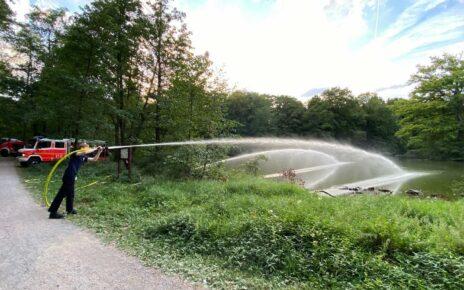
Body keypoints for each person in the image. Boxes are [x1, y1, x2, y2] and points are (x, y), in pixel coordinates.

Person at [48, 142, 103, 219]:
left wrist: (99, 151)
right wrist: (95, 148)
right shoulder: (75, 153)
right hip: (69, 175)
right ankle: (53, 213)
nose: (88, 148)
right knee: (61, 194)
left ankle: (69, 209)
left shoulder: (83, 156)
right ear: (82, 148)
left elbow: (94, 159)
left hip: (72, 176)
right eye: (87, 147)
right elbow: (84, 152)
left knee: (70, 193)